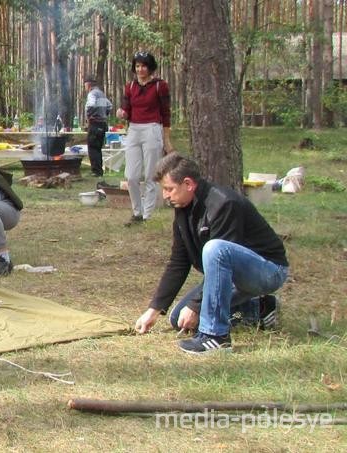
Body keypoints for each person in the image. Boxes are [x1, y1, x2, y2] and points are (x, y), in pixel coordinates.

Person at [134, 153, 288, 354]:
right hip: (234, 276)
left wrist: (197, 306)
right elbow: (178, 262)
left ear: (188, 184)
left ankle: (215, 337)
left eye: (169, 189)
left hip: (268, 270)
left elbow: (223, 258)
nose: (165, 195)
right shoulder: (183, 206)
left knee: (215, 248)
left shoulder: (224, 203)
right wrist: (153, 310)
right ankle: (260, 308)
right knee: (178, 318)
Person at [116, 51, 174, 226]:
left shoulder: (160, 86)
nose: (140, 69)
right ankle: (137, 212)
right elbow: (127, 110)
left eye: (143, 66)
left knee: (150, 174)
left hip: (152, 129)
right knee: (132, 176)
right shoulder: (130, 86)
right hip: (134, 129)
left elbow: (166, 113)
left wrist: (166, 139)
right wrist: (122, 113)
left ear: (150, 67)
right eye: (137, 66)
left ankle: (146, 215)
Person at [83, 77, 112, 178]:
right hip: (102, 124)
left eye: (85, 85)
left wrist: (89, 116)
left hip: (95, 123)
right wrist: (104, 114)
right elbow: (109, 106)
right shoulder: (101, 94)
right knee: (98, 148)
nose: (85, 87)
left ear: (88, 85)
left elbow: (91, 105)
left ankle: (95, 171)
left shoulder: (92, 94)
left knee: (92, 147)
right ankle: (99, 171)